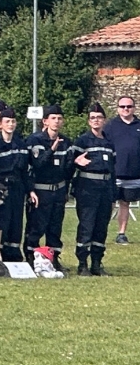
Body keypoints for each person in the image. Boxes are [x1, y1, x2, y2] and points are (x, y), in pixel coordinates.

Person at [72, 105, 115, 275]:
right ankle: (82, 263)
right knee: (86, 226)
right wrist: (76, 162)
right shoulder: (82, 141)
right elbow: (71, 163)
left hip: (105, 188)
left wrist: (113, 194)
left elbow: (113, 169)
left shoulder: (109, 143)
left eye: (99, 117)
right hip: (87, 189)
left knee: (101, 226)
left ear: (104, 120)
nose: (96, 120)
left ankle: (97, 262)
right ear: (89, 121)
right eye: (92, 117)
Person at [25, 109, 71, 266]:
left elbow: (68, 169)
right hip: (40, 190)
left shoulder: (66, 141)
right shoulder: (35, 140)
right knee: (36, 226)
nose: (56, 121)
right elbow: (37, 165)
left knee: (55, 227)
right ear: (45, 121)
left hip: (58, 190)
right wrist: (52, 150)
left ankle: (53, 258)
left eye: (59, 118)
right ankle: (32, 258)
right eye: (53, 118)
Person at [0, 113, 31, 262]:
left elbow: (25, 171)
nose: (11, 124)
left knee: (16, 222)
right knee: (1, 222)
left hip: (17, 188)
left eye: (13, 121)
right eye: (7, 121)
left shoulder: (21, 145)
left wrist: (30, 190)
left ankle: (13, 255)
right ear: (0, 124)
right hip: (0, 189)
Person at [106, 95, 140, 243]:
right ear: (118, 108)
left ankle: (121, 234)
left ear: (134, 108)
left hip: (134, 173)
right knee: (109, 204)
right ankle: (101, 232)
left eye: (129, 106)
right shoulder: (110, 126)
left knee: (125, 203)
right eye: (122, 107)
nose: (126, 109)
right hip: (114, 172)